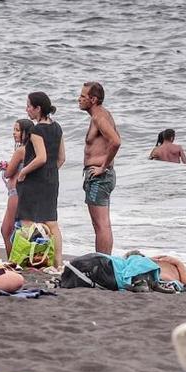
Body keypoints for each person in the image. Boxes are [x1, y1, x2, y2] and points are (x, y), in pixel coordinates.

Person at [17, 91, 66, 269]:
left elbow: (41, 157)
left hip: (34, 181)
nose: (27, 109)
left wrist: (23, 172)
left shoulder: (37, 130)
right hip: (52, 179)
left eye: (29, 106)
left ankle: (27, 260)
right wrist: (50, 173)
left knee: (27, 220)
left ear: (38, 108)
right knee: (51, 222)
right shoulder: (57, 127)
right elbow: (61, 158)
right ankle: (58, 263)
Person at [79, 82, 121, 255]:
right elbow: (115, 138)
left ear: (93, 99)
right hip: (100, 176)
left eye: (83, 96)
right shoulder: (101, 115)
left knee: (101, 224)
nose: (79, 99)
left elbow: (116, 142)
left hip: (99, 176)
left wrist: (103, 166)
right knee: (103, 224)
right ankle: (104, 261)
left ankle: (102, 263)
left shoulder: (99, 117)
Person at [0, 119, 33, 258]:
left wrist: (5, 168)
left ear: (26, 133)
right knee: (16, 229)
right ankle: (18, 260)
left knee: (7, 230)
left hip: (15, 193)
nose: (14, 133)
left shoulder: (20, 150)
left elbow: (8, 173)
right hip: (24, 193)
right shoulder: (32, 150)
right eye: (14, 129)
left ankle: (13, 262)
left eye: (18, 130)